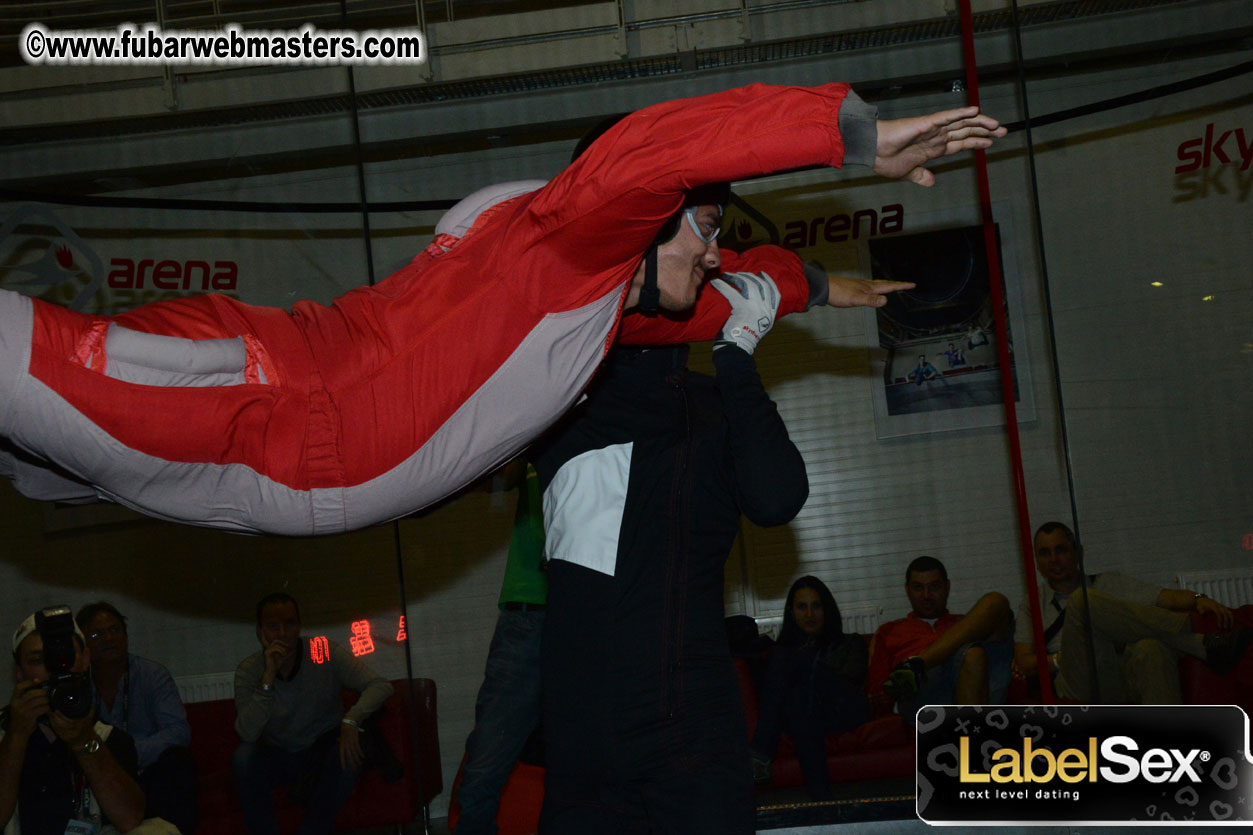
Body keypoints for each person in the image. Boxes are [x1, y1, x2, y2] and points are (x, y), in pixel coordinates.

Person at [0, 83, 1004, 535]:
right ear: (638, 220)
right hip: (271, 415)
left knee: (33, 463)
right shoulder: (569, 245)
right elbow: (653, 152)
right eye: (700, 223)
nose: (713, 243)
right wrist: (849, 134)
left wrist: (816, 286)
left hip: (263, 437)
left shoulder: (592, 302)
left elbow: (710, 300)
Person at [531, 271, 809, 834]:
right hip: (585, 732)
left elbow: (777, 498)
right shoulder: (561, 404)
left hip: (691, 726)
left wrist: (735, 357)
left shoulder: (712, 403)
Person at [1013, 521, 1253, 704]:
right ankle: (1198, 644)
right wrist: (1058, 660)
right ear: (1037, 561)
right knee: (1080, 601)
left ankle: (1171, 747)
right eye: (1045, 553)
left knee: (1152, 648)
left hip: (1117, 673)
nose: (1054, 559)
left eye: (1061, 550)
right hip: (1075, 680)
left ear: (1078, 552)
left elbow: (1165, 597)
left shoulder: (1109, 583)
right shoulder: (1032, 604)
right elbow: (1024, 663)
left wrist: (1200, 598)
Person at [232, 593, 393, 835]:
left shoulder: (323, 651)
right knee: (243, 758)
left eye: (289, 624)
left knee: (349, 757)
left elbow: (380, 685)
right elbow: (247, 733)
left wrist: (352, 718)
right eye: (273, 627)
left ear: (299, 626)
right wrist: (268, 678)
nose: (282, 634)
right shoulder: (249, 670)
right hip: (280, 753)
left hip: (322, 750)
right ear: (260, 632)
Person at [453, 460, 547, 835]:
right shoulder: (537, 423)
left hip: (589, 610)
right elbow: (494, 477)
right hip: (528, 613)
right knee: (484, 766)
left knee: (596, 761)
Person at [1, 608, 150, 834]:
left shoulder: (106, 737)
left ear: (85, 660)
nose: (53, 672)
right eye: (39, 660)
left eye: (65, 656)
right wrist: (17, 735)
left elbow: (130, 819)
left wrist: (84, 741)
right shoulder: (5, 737)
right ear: (20, 673)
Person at [76, 602, 197, 834]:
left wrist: (128, 753)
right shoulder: (77, 687)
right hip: (103, 783)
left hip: (150, 775)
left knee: (179, 760)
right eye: (96, 634)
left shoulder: (152, 675)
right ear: (83, 645)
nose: (108, 638)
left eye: (114, 630)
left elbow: (178, 732)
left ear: (126, 636)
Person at [749, 576, 869, 800]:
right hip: (804, 714)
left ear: (827, 609)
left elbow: (849, 685)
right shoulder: (783, 655)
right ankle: (822, 801)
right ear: (792, 612)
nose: (810, 615)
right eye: (802, 607)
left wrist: (805, 664)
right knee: (798, 703)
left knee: (790, 661)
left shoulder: (850, 643)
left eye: (816, 606)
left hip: (842, 709)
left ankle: (760, 754)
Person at [867, 556, 1013, 717]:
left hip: (981, 689)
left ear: (947, 587)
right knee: (972, 654)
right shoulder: (889, 631)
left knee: (995, 602)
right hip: (924, 701)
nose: (926, 596)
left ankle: (916, 665)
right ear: (907, 590)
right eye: (918, 587)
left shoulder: (968, 623)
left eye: (934, 587)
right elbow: (878, 695)